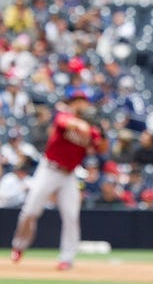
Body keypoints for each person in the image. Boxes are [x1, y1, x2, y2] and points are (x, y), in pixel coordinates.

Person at [10, 91, 108, 270]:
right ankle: (19, 245)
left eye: (83, 101)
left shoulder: (92, 127)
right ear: (72, 103)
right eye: (77, 101)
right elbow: (65, 122)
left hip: (69, 175)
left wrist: (102, 132)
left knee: (71, 216)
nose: (80, 104)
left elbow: (102, 149)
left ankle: (66, 258)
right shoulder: (64, 115)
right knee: (30, 211)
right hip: (49, 169)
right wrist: (86, 125)